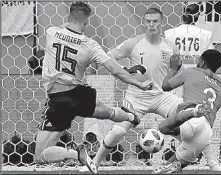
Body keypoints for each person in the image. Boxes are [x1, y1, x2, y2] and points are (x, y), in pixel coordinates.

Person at [34, 2, 153, 174]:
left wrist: (68, 23)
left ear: (69, 17)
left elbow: (65, 26)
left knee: (40, 155)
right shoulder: (90, 45)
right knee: (105, 111)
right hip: (79, 93)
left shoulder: (51, 32)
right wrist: (138, 83)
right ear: (86, 22)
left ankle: (77, 154)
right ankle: (130, 115)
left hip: (59, 99)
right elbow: (114, 69)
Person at [91, 7, 187, 173]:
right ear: (144, 22)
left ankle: (199, 161)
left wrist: (175, 72)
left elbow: (176, 72)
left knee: (190, 120)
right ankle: (94, 163)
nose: (151, 25)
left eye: (155, 21)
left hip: (162, 96)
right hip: (136, 98)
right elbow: (107, 57)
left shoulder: (171, 47)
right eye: (148, 21)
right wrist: (126, 69)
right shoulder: (133, 43)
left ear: (162, 23)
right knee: (117, 132)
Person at [164, 2, 221, 171]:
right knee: (200, 125)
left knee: (181, 125)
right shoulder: (205, 34)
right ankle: (208, 161)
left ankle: (172, 159)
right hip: (196, 84)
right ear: (198, 16)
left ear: (182, 13)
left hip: (176, 81)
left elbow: (165, 59)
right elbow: (210, 63)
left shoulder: (169, 34)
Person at [164, 2, 214, 66]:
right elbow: (211, 58)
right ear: (197, 15)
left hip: (176, 73)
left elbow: (164, 58)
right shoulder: (205, 35)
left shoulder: (170, 34)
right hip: (196, 72)